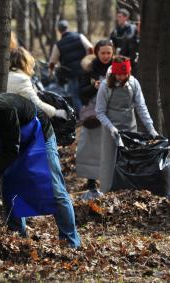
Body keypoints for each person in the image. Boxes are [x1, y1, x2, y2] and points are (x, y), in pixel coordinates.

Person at [0, 86, 81, 248]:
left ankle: (71, 241)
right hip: (12, 141)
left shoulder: (3, 110)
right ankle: (17, 238)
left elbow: (11, 151)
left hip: (39, 136)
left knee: (54, 189)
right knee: (11, 189)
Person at [95, 56, 158, 193]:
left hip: (130, 128)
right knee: (109, 162)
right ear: (114, 73)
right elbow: (99, 112)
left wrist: (151, 128)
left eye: (125, 74)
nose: (122, 77)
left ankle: (128, 191)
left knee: (130, 161)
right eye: (119, 74)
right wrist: (111, 128)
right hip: (110, 129)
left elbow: (141, 107)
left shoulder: (134, 83)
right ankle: (106, 191)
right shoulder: (105, 86)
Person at [76, 40, 114, 200]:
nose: (106, 56)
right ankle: (91, 182)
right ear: (97, 53)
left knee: (111, 149)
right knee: (91, 149)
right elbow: (81, 93)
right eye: (103, 53)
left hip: (113, 114)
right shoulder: (88, 70)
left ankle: (111, 181)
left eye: (108, 53)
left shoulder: (117, 68)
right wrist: (94, 87)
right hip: (94, 116)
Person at [7, 47, 68, 119]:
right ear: (26, 62)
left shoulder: (7, 76)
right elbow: (35, 104)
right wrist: (55, 112)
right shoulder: (21, 80)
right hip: (15, 122)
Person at [49, 20, 94, 117]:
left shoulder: (58, 44)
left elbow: (53, 61)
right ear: (67, 27)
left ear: (59, 31)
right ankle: (90, 113)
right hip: (84, 70)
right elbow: (91, 48)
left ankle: (82, 116)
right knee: (86, 92)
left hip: (71, 73)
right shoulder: (79, 36)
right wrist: (89, 60)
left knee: (75, 95)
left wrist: (51, 72)